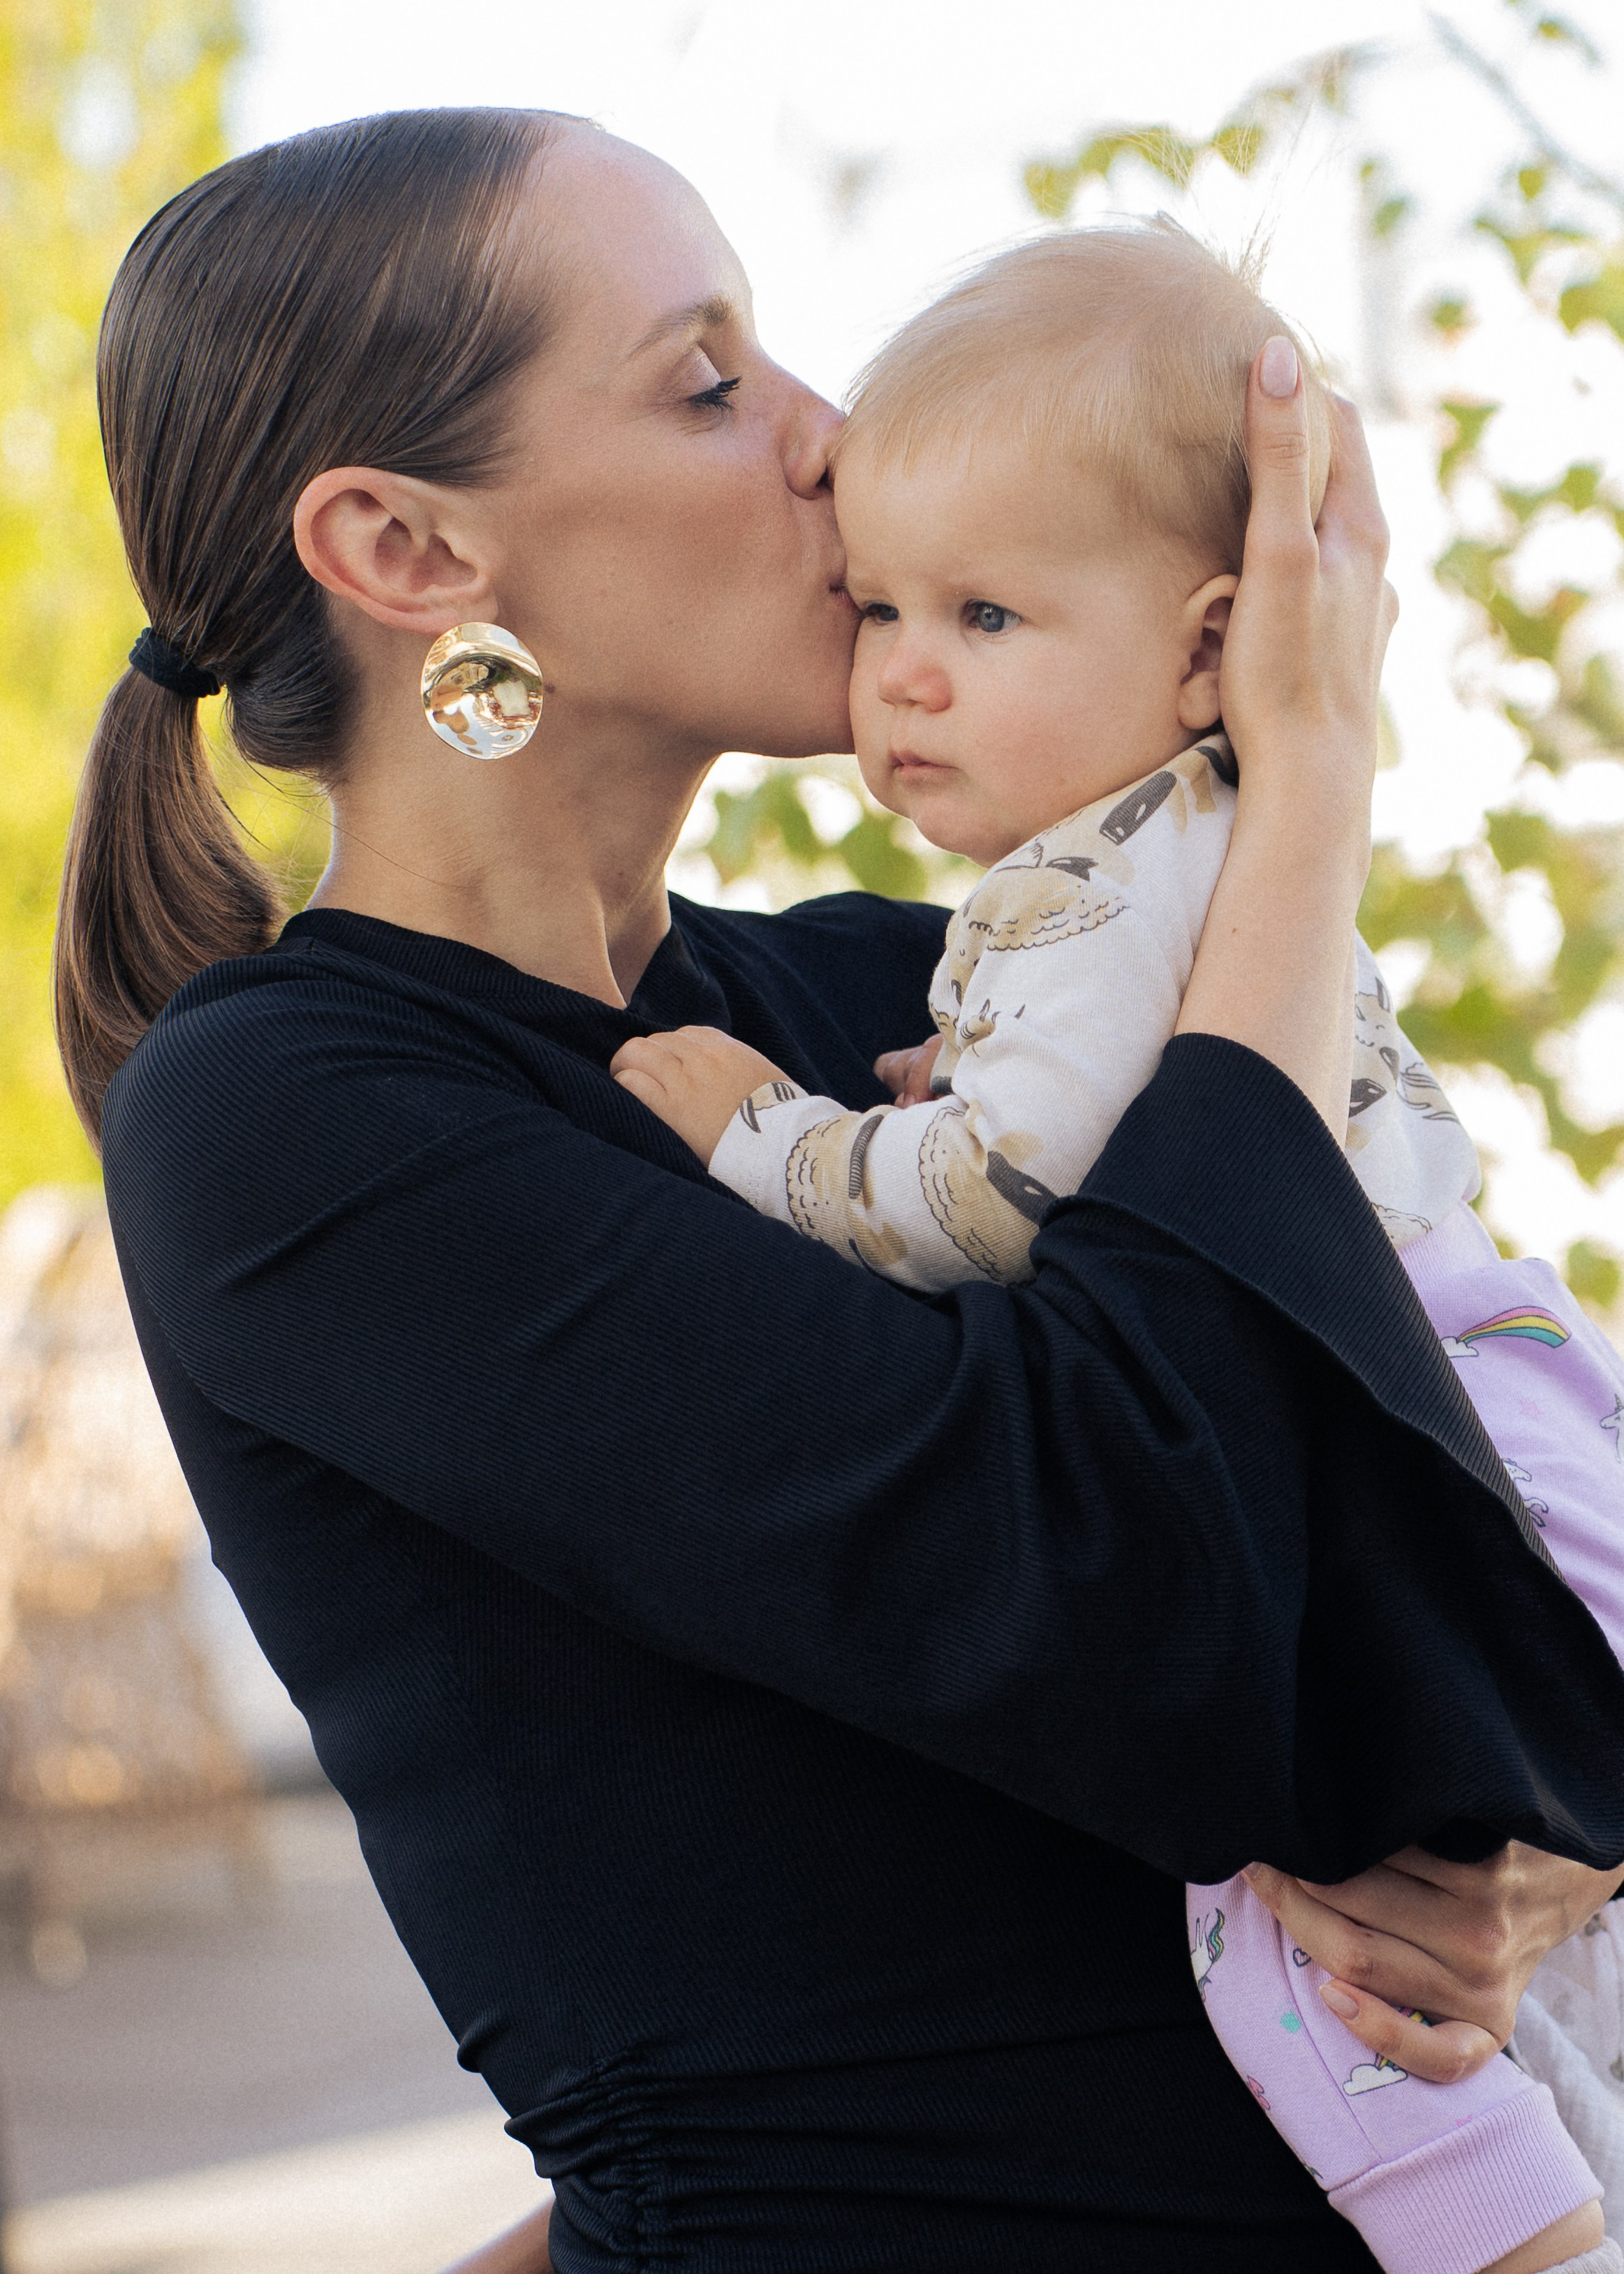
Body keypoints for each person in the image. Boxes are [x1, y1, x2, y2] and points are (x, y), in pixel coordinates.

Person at [57, 109, 1624, 2274]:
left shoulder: (904, 993)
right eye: (711, 382)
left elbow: (1481, 1476)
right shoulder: (294, 1124)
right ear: (409, 552)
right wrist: (1300, 794)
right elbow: (1129, 1583)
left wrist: (1560, 1835)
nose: (834, 437)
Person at [609, 224, 1624, 2274]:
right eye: (885, 603)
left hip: (1423, 1455)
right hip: (1503, 1397)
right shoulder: (1179, 854)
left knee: (1302, 1961)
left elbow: (993, 1204)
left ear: (1206, 648)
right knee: (1511, 1971)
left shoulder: (1092, 902)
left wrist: (768, 1137)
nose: (900, 666)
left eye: (985, 613)